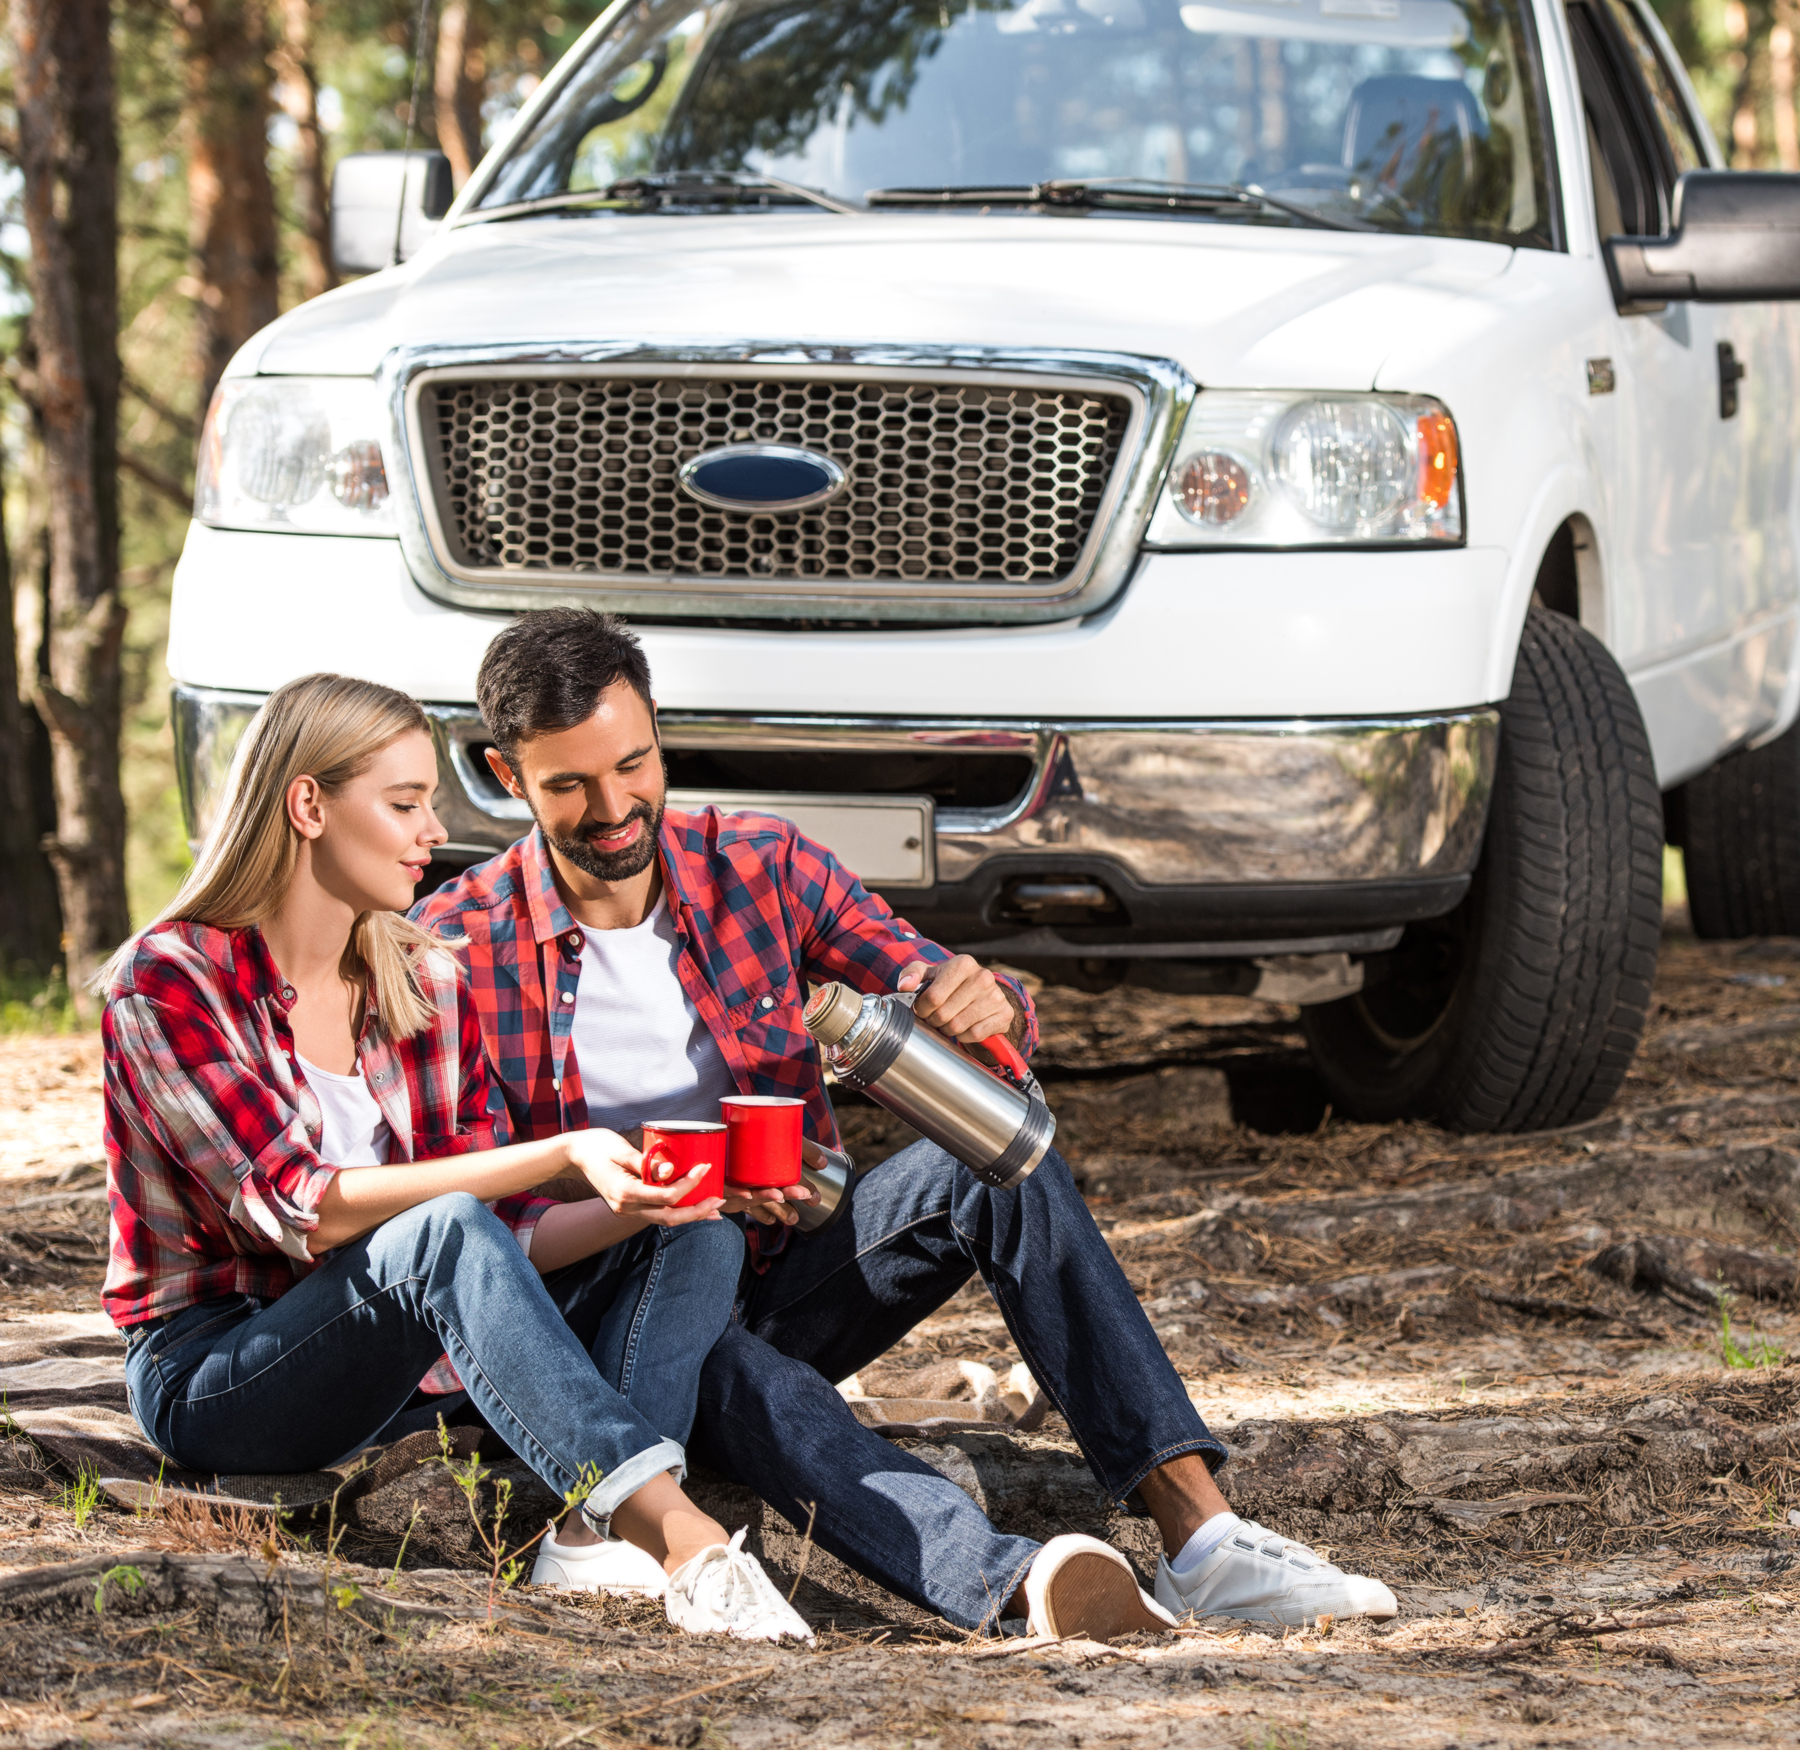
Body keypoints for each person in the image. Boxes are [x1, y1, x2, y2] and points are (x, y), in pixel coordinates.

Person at [415, 610, 1399, 1638]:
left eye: (633, 765)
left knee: (993, 1163)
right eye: (570, 786)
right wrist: (670, 1190)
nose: (615, 809)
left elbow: (925, 977)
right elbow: (479, 1217)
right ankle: (1022, 1586)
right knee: (736, 1368)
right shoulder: (460, 944)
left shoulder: (755, 862)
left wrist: (979, 1000)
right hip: (605, 1330)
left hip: (784, 1267)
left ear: (659, 731)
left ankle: (1203, 1539)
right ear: (506, 773)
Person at [102, 672, 811, 1643]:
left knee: (693, 1234)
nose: (434, 828)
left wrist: (639, 1200)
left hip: (405, 1368)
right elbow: (303, 1209)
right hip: (226, 1367)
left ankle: (584, 1538)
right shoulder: (169, 983)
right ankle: (680, 1540)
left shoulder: (419, 978)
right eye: (404, 803)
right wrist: (558, 1149)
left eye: (429, 801)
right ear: (307, 803)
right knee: (440, 1229)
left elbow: (498, 1241)